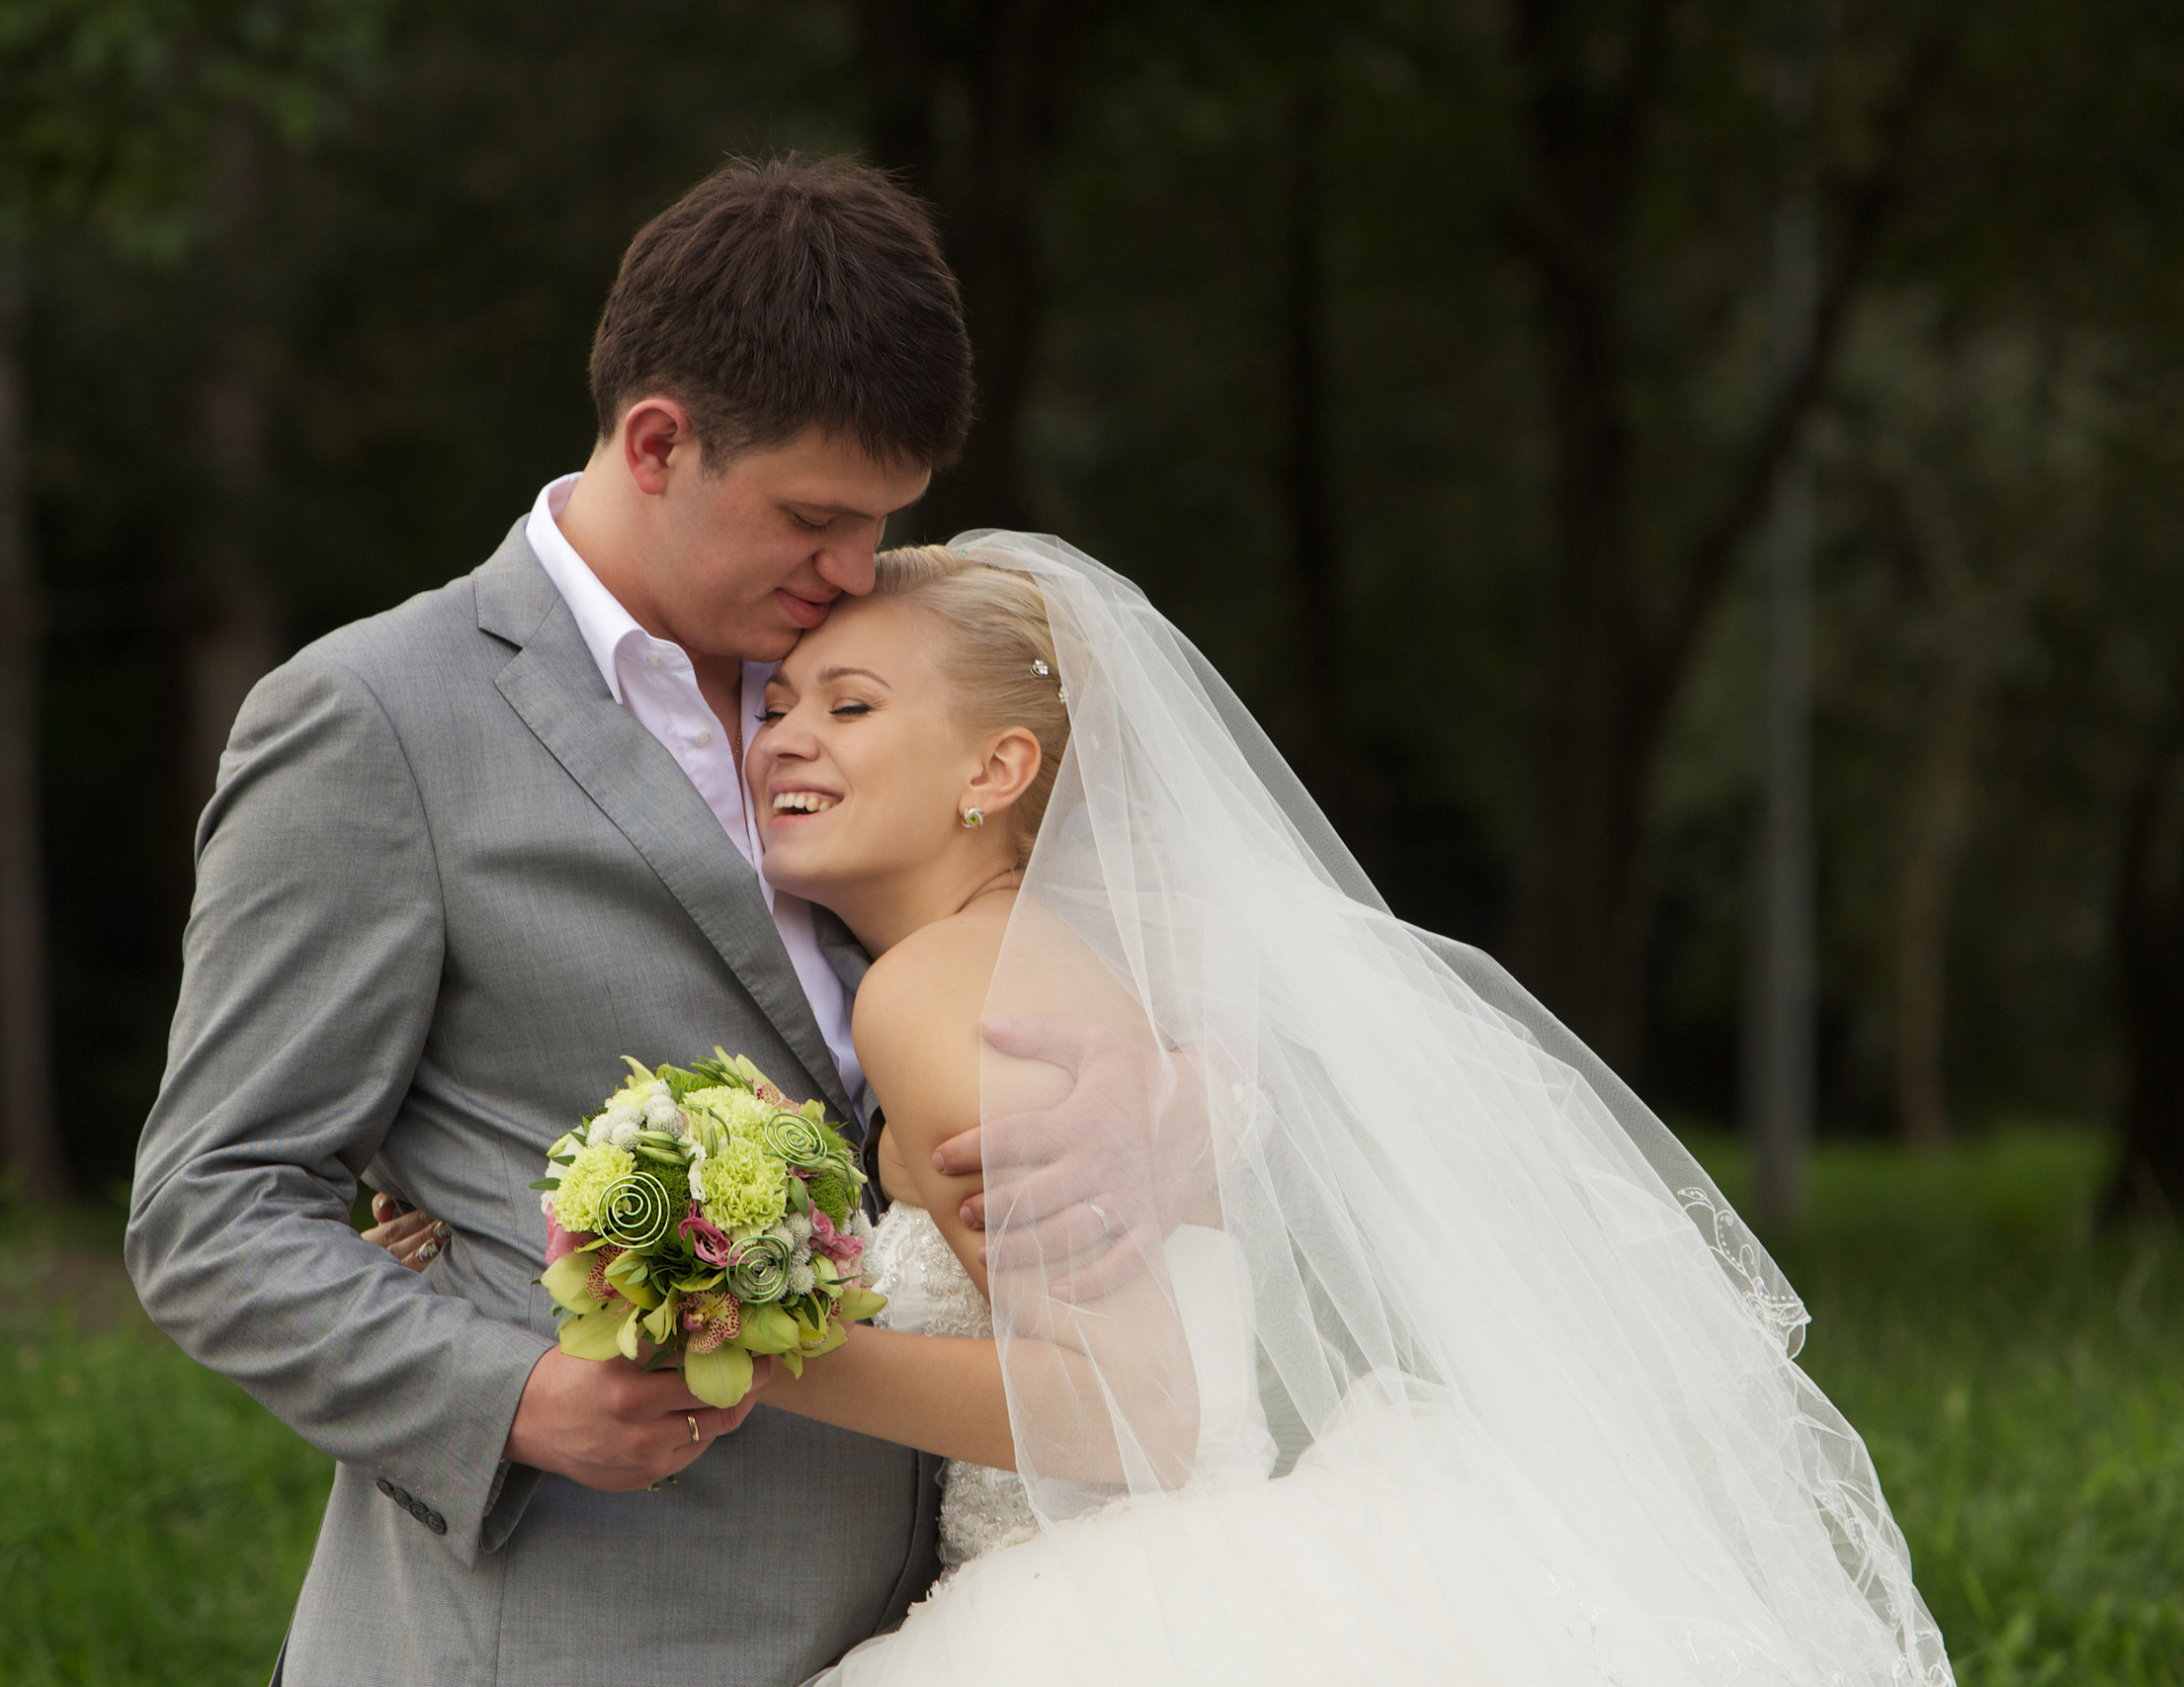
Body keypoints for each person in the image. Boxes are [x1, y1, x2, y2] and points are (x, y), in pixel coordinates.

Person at [380, 538, 1956, 1686]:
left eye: (849, 707)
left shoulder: (931, 991)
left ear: (997, 767)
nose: (783, 734)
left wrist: (742, 1345)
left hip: (1100, 1608)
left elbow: (1121, 1410)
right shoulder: (1052, 960)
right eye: (777, 701)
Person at [126, 154, 979, 1686]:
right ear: (657, 441)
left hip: (934, 1623)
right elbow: (212, 1208)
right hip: (569, 1634)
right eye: (812, 517)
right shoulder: (375, 720)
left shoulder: (879, 669)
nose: (856, 568)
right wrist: (509, 1392)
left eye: (883, 521)